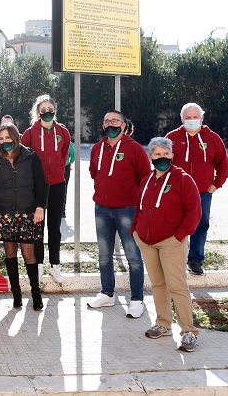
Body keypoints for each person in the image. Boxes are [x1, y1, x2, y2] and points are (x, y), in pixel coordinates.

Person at [131, 137, 202, 352]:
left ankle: (188, 332)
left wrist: (179, 236)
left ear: (172, 155)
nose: (162, 158)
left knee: (177, 286)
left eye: (166, 154)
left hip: (172, 242)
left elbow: (194, 212)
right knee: (158, 284)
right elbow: (139, 208)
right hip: (147, 242)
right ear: (150, 157)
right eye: (157, 154)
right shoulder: (146, 180)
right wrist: (135, 231)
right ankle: (163, 324)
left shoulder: (183, 179)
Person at [87, 111, 148, 318]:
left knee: (133, 257)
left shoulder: (135, 149)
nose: (110, 124)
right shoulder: (97, 148)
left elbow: (145, 178)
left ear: (123, 125)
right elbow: (94, 172)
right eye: (106, 121)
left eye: (115, 121)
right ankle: (107, 294)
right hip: (102, 209)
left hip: (127, 209)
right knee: (104, 256)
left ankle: (137, 299)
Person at [0, 123, 48, 310]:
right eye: (2, 139)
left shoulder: (31, 157)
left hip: (27, 212)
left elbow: (42, 184)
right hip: (5, 213)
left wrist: (40, 207)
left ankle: (35, 292)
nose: (5, 141)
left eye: (8, 138)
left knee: (28, 253)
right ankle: (16, 293)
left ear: (16, 137)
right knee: (10, 253)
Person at [166, 103, 228, 276]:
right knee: (174, 225)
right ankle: (174, 259)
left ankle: (195, 260)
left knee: (200, 225)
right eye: (188, 118)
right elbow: (161, 163)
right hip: (177, 192)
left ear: (202, 118)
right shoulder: (171, 138)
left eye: (195, 117)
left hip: (203, 193)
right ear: (182, 119)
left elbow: (223, 164)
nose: (192, 121)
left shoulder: (213, 138)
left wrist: (216, 184)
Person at [21, 95, 70, 285]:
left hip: (57, 184)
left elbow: (63, 155)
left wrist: (56, 172)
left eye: (50, 109)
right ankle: (39, 265)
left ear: (55, 111)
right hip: (37, 187)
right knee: (37, 228)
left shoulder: (63, 132)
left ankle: (55, 266)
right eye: (43, 109)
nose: (47, 112)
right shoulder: (30, 133)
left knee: (55, 227)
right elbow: (25, 158)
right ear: (38, 112)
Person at [62, 140, 75, 218]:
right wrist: (70, 164)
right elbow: (73, 155)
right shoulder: (68, 143)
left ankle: (59, 210)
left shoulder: (52, 139)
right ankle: (62, 211)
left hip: (56, 167)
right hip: (65, 167)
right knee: (64, 188)